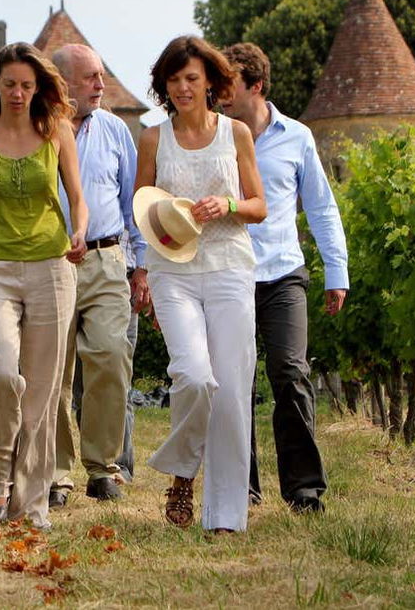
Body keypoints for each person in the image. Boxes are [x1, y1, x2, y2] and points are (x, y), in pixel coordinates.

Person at [0, 42, 88, 528]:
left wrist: (79, 231)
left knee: (43, 394)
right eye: (10, 84)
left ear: (38, 87)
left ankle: (32, 505)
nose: (18, 93)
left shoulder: (57, 131)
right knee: (5, 375)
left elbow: (77, 197)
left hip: (52, 267)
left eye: (27, 85)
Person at [134, 36, 266, 533]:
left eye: (191, 78)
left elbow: (259, 205)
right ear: (164, 86)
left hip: (231, 264)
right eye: (174, 80)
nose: (183, 88)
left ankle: (225, 517)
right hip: (173, 271)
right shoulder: (152, 138)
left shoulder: (236, 134)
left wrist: (226, 205)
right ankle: (184, 471)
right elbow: (143, 210)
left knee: (231, 391)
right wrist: (144, 267)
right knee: (193, 375)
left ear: (211, 80)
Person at [220, 42, 348, 513]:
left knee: (290, 373)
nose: (219, 94)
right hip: (227, 274)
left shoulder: (297, 137)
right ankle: (240, 487)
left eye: (228, 84)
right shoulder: (213, 138)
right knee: (234, 382)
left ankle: (304, 489)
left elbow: (320, 206)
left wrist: (337, 271)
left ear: (255, 85)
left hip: (282, 273)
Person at [48, 44, 148, 506]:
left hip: (108, 258)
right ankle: (55, 475)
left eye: (101, 76)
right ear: (63, 80)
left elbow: (135, 203)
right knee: (53, 371)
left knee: (110, 356)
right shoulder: (37, 130)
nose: (100, 85)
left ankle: (103, 467)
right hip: (50, 261)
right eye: (90, 77)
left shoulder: (115, 131)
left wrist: (140, 265)